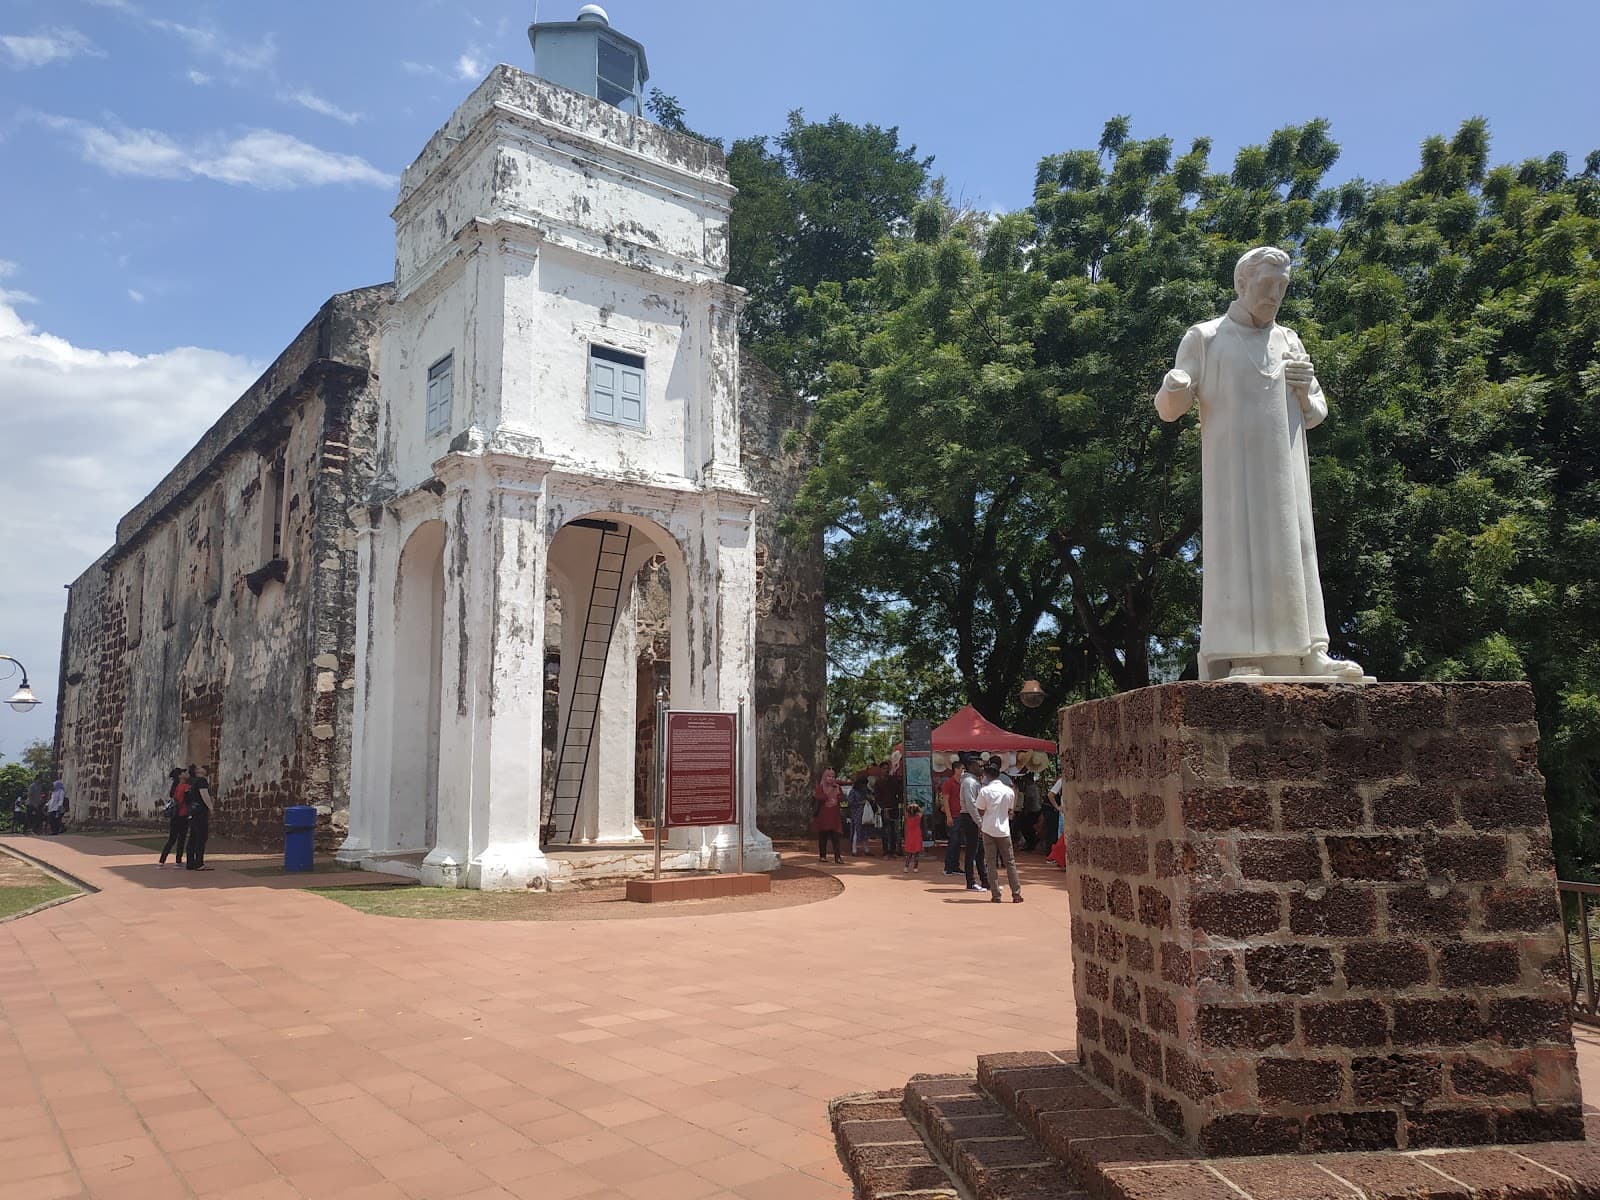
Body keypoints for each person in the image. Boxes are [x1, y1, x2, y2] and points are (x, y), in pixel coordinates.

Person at [1155, 246, 1364, 682]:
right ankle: (1238, 653)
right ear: (1241, 284)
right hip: (1232, 473)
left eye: (1282, 288)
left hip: (1285, 471)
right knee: (1238, 552)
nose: (1274, 296)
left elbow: (1316, 413)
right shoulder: (1206, 337)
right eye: (1267, 286)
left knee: (1296, 549)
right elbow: (1170, 408)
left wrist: (1306, 391)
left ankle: (1312, 653)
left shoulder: (1289, 340)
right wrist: (1175, 385)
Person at [975, 761, 1023, 904]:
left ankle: (996, 894)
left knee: (990, 862)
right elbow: (1010, 810)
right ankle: (1016, 893)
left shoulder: (985, 791)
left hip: (988, 829)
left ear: (986, 776)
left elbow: (980, 810)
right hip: (1004, 830)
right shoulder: (1009, 791)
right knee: (1010, 862)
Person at [958, 754, 990, 893]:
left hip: (975, 818)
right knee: (972, 851)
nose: (981, 768)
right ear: (971, 767)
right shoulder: (969, 783)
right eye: (979, 766)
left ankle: (985, 881)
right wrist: (979, 822)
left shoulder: (975, 781)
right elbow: (971, 805)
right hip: (970, 818)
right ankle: (970, 882)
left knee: (980, 851)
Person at [184, 764, 214, 871]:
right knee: (201, 837)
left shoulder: (192, 782)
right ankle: (199, 863)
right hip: (200, 812)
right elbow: (204, 795)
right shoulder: (201, 781)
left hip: (193, 811)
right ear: (198, 771)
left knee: (193, 837)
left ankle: (190, 862)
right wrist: (211, 807)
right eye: (200, 767)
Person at [159, 767, 190, 868]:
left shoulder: (175, 787)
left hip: (175, 815)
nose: (185, 773)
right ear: (180, 776)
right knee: (181, 838)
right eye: (183, 772)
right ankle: (178, 861)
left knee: (172, 839)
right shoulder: (185, 786)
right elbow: (186, 801)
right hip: (182, 815)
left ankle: (162, 860)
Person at [811, 768, 844, 863]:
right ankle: (822, 856)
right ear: (825, 777)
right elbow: (820, 798)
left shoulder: (837, 787)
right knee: (823, 837)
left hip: (834, 816)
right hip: (823, 816)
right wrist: (829, 791)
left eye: (833, 776)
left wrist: (838, 794)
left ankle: (837, 857)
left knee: (836, 837)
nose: (831, 778)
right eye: (829, 776)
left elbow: (842, 799)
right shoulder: (821, 787)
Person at [875, 764, 902, 858]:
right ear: (880, 770)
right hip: (885, 808)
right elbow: (877, 797)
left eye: (887, 769)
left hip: (894, 807)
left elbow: (899, 792)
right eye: (884, 769)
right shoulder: (878, 782)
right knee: (885, 830)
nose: (886, 770)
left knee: (894, 830)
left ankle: (893, 850)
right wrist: (883, 807)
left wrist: (899, 802)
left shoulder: (893, 780)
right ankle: (886, 850)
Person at [940, 766, 963, 875]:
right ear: (956, 769)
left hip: (961, 815)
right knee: (953, 841)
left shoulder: (962, 783)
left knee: (958, 842)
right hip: (953, 816)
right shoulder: (949, 783)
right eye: (961, 768)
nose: (962, 771)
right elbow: (945, 800)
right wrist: (948, 816)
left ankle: (955, 866)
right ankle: (948, 866)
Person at [847, 774, 875, 856]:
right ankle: (854, 849)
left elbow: (872, 796)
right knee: (856, 830)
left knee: (865, 831)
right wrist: (860, 803)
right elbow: (850, 802)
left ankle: (866, 849)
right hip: (857, 814)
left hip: (864, 814)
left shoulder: (865, 791)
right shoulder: (853, 791)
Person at [902, 802, 924, 872]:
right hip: (917, 836)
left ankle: (906, 867)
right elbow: (922, 811)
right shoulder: (918, 818)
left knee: (909, 853)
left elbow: (906, 812)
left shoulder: (907, 818)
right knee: (916, 853)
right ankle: (915, 868)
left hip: (910, 836)